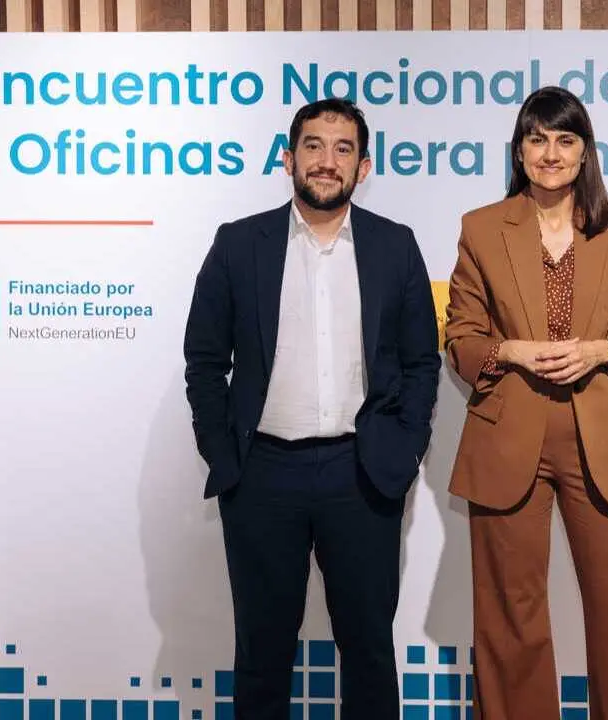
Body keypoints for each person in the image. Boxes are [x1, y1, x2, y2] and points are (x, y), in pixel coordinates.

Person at [183, 98, 440, 720]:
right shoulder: (239, 243)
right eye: (315, 146)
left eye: (343, 149)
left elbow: (420, 362)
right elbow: (205, 359)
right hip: (264, 475)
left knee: (370, 653)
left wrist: (403, 449)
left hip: (362, 472)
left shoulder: (395, 245)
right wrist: (226, 455)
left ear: (364, 165)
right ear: (289, 158)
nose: (328, 162)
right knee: (263, 655)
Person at [443, 85, 608, 720]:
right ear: (519, 150)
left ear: (586, 151)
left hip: (602, 436)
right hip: (507, 435)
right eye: (536, 139)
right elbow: (460, 338)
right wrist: (509, 351)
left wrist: (602, 352)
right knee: (509, 617)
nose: (550, 153)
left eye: (565, 139)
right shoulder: (481, 228)